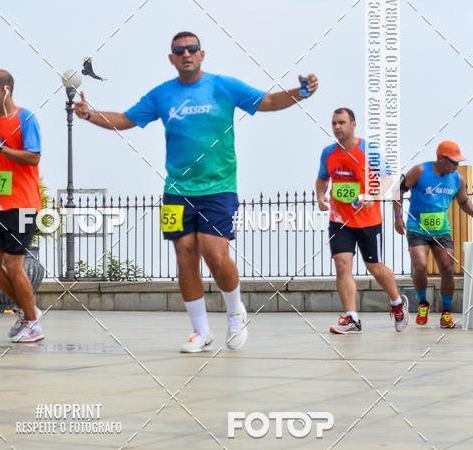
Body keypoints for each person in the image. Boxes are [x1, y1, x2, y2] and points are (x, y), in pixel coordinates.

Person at [74, 31, 318, 353]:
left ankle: (235, 311)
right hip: (177, 190)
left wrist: (300, 92)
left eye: (192, 49)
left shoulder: (224, 87)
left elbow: (268, 100)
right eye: (179, 50)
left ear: (202, 54)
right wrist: (91, 114)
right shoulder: (162, 95)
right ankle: (201, 331)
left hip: (218, 187)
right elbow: (126, 119)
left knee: (214, 253)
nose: (186, 54)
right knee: (185, 255)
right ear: (171, 58)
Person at [316, 107, 409, 334]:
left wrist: (373, 195)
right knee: (342, 265)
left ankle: (398, 303)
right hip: (340, 221)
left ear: (353, 124)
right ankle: (352, 318)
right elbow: (321, 179)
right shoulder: (328, 153)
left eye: (342, 122)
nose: (337, 127)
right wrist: (320, 196)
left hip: (368, 221)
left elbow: (388, 179)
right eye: (334, 123)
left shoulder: (369, 150)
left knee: (374, 267)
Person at [0, 70, 44, 343]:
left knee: (14, 264)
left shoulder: (26, 118)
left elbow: (33, 157)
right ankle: (27, 310)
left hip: (23, 204)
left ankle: (32, 323)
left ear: (6, 90)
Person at [395, 140, 473, 329]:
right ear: (440, 158)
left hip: (441, 231)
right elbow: (398, 190)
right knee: (420, 265)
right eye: (453, 161)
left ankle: (446, 313)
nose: (457, 165)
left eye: (458, 162)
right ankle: (423, 303)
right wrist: (398, 217)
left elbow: (463, 203)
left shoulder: (458, 180)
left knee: (447, 268)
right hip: (417, 229)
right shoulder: (420, 171)